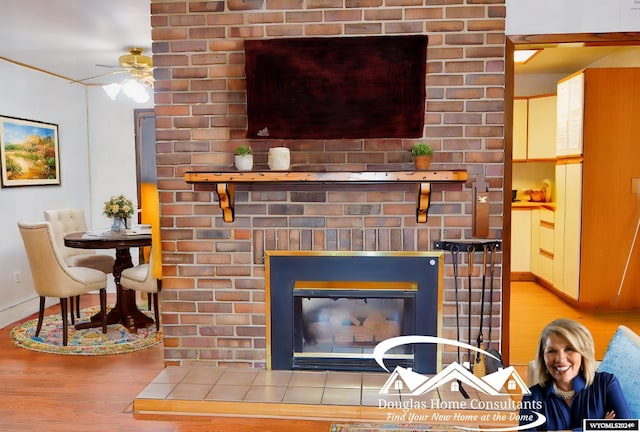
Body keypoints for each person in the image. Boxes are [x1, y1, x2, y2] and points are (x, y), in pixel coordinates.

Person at [519, 318, 631, 431]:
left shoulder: (606, 383)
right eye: (552, 351)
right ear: (543, 357)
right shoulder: (532, 397)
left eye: (569, 349)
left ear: (583, 353)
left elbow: (627, 429)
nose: (560, 359)